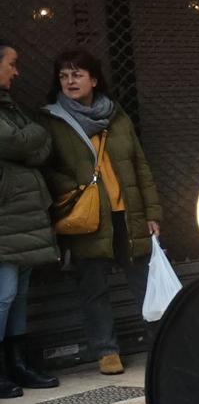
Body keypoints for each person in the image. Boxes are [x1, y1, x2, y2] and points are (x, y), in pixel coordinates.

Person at [42, 50, 160, 376]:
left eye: (77, 74)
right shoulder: (53, 120)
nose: (69, 81)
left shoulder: (117, 115)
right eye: (64, 76)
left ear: (94, 79)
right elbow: (47, 168)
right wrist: (72, 188)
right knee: (93, 287)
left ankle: (162, 343)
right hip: (88, 217)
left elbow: (140, 166)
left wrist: (152, 212)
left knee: (145, 283)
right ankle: (106, 351)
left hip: (127, 212)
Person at [0, 40, 58, 398]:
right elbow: (18, 144)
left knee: (18, 294)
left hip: (23, 215)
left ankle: (17, 365)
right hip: (6, 216)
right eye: (11, 63)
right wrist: (34, 133)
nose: (17, 71)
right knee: (4, 294)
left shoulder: (10, 106)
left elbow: (40, 147)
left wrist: (30, 138)